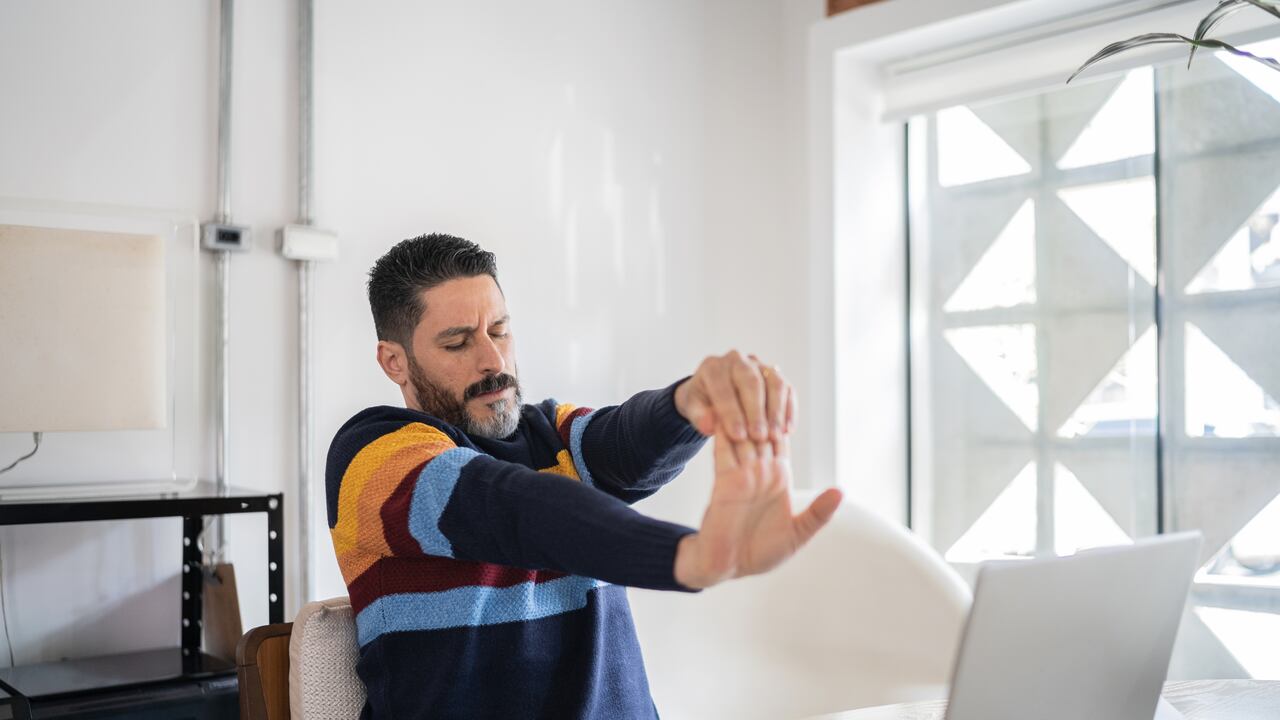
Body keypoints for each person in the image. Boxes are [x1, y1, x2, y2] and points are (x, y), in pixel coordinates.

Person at [325, 233, 843, 719]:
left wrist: (691, 402)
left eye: (500, 330)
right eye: (458, 343)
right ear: (395, 362)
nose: (493, 359)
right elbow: (510, 506)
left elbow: (624, 441)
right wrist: (687, 557)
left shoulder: (551, 431)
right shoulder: (372, 455)